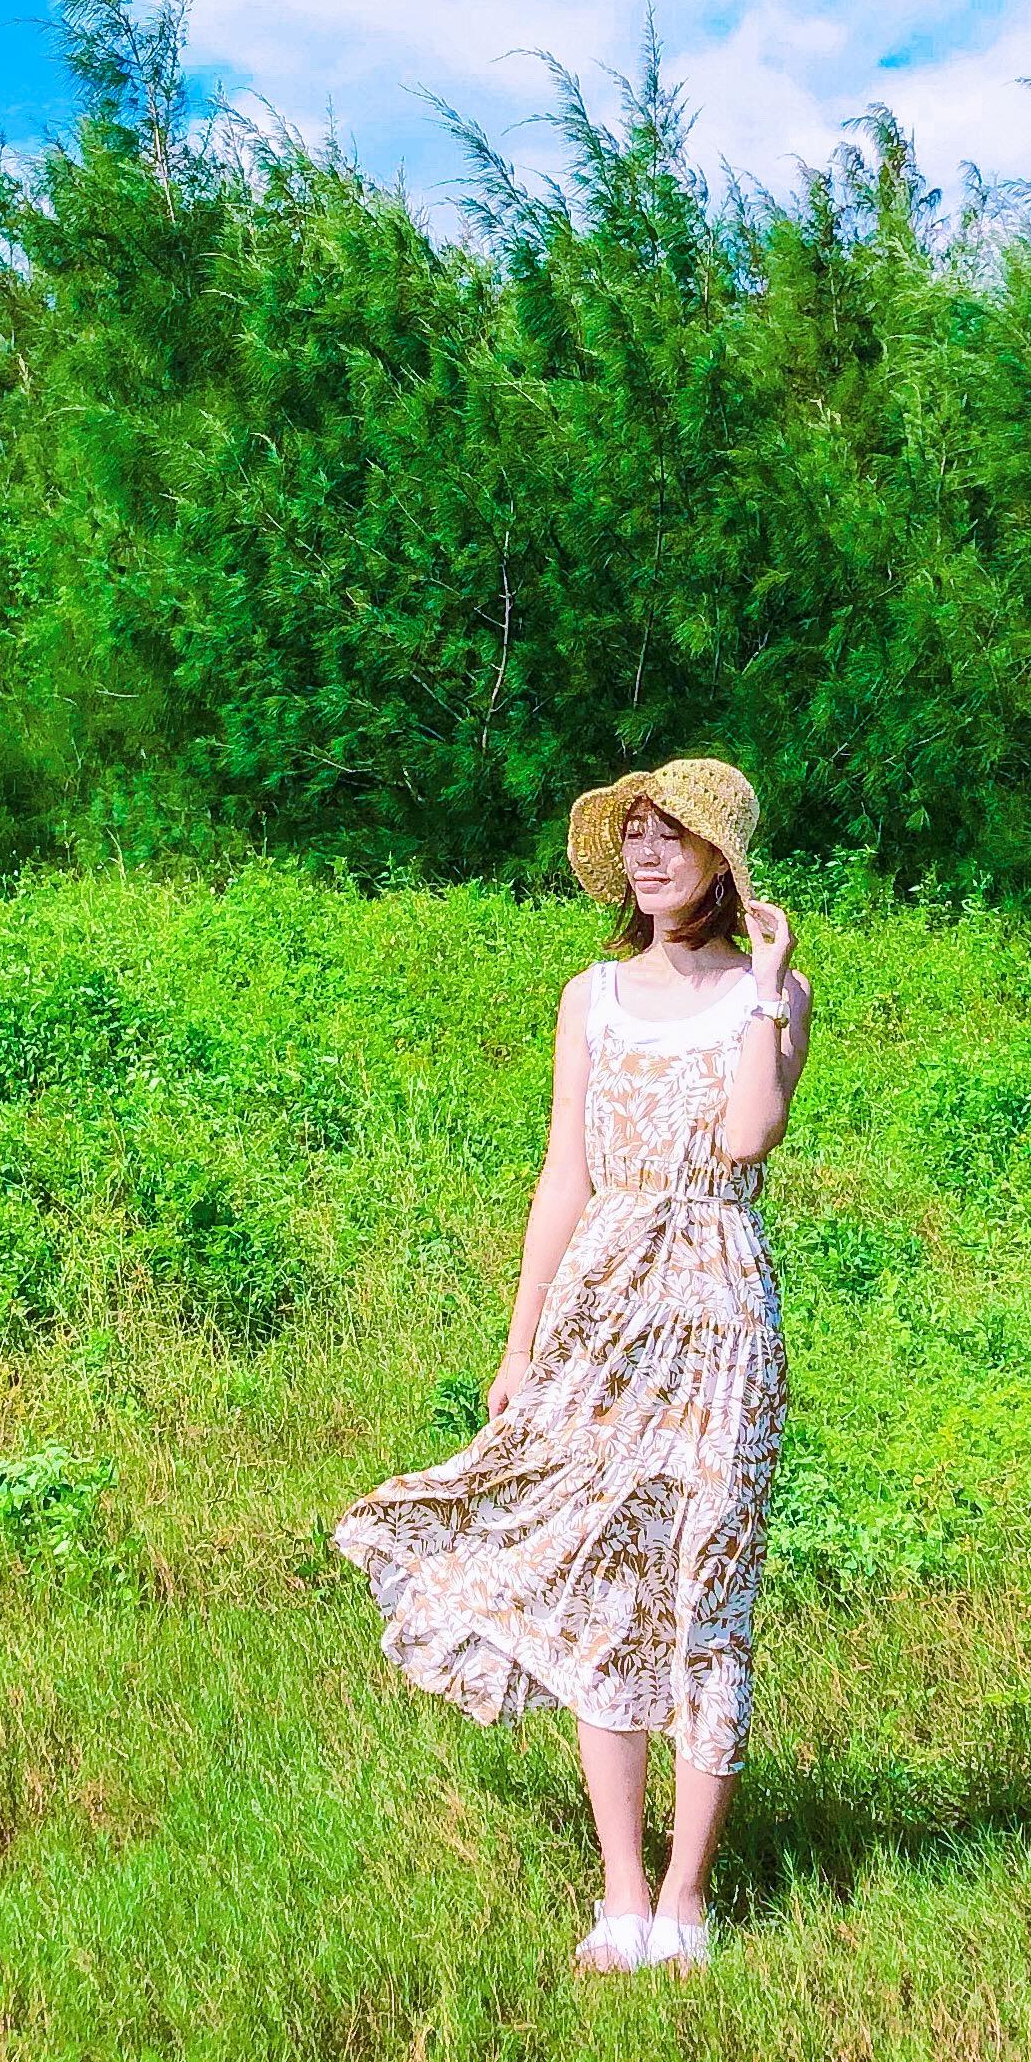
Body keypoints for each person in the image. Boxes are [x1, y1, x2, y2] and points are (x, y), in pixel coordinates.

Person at [332, 756, 814, 1976]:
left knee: (707, 1587)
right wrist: (521, 1340)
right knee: (604, 1586)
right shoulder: (589, 995)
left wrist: (765, 989)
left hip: (719, 1308)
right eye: (636, 835)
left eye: (672, 837)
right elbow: (565, 1173)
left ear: (720, 861)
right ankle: (622, 1894)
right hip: (601, 1309)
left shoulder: (774, 994)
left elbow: (749, 1137)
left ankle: (689, 1902)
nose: (648, 856)